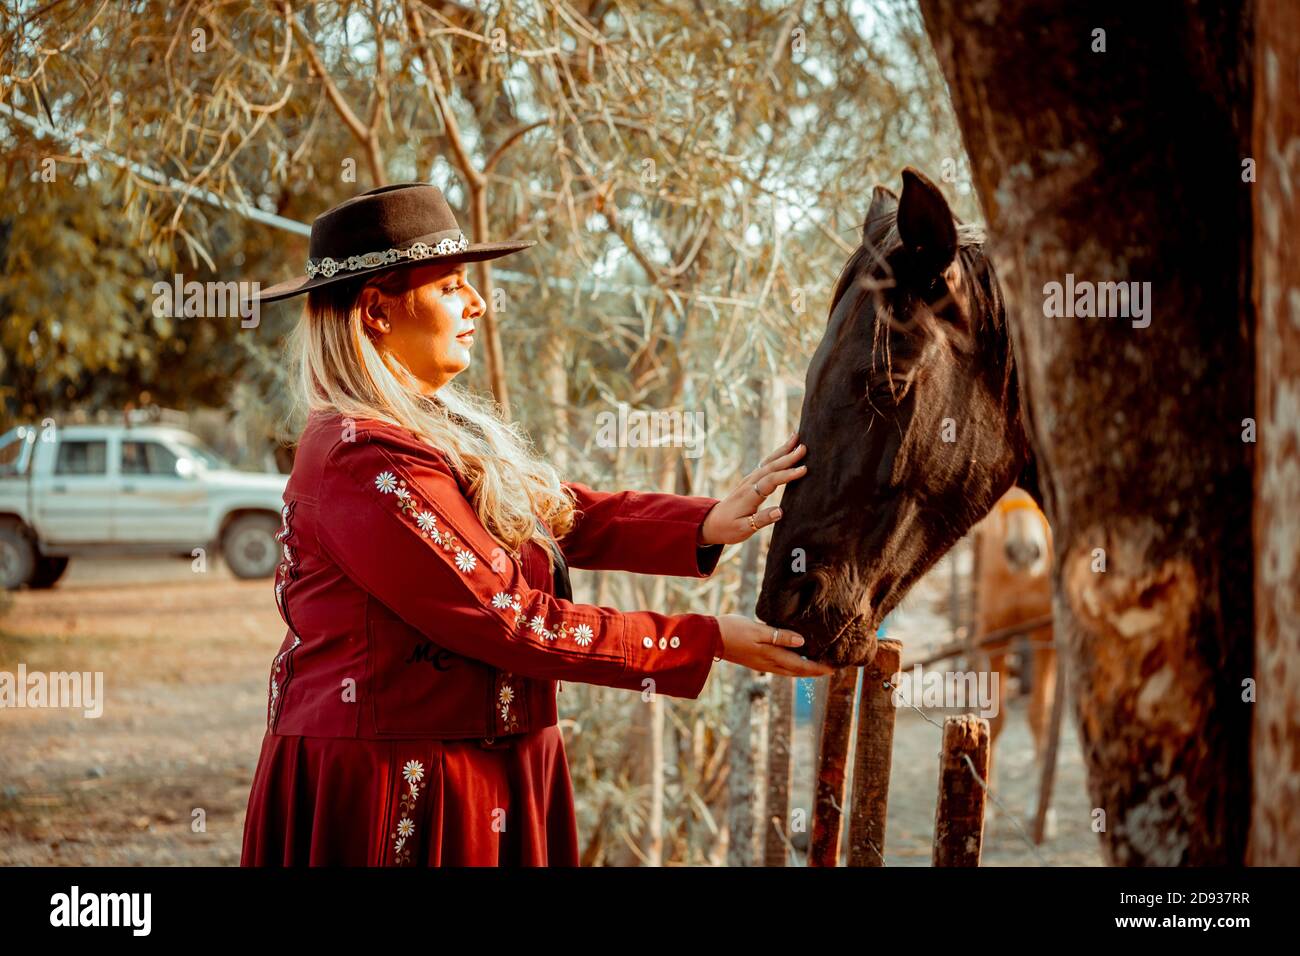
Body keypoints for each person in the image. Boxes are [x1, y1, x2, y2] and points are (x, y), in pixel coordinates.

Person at [239, 182, 830, 866]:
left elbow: (543, 513)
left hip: (471, 766)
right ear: (375, 310)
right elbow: (511, 622)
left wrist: (703, 524)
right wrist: (703, 641)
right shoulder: (364, 459)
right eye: (451, 285)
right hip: (404, 784)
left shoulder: (424, 432)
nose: (477, 303)